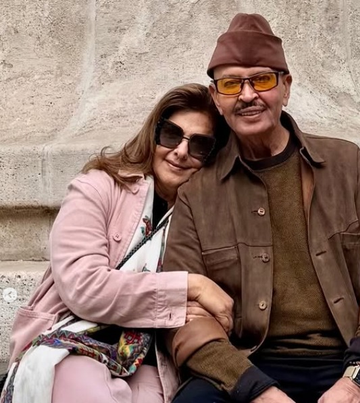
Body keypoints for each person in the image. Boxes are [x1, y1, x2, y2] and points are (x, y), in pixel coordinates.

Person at [161, 14, 360, 403]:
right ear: (216, 98)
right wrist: (256, 390)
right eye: (231, 84)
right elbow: (184, 317)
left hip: (352, 353)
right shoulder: (197, 194)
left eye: (262, 80)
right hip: (248, 363)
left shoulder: (346, 165)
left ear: (286, 87)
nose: (247, 95)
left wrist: (356, 380)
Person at [0, 83, 233, 403]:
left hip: (151, 362)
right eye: (171, 134)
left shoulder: (207, 219)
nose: (181, 151)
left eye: (199, 145)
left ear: (213, 156)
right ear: (154, 134)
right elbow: (85, 287)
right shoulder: (97, 187)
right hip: (70, 344)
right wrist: (189, 288)